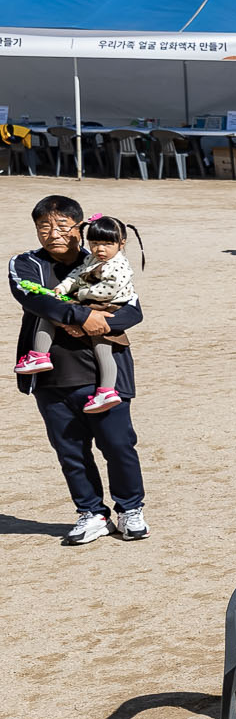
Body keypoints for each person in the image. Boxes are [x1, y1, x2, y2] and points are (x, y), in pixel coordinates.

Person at [11, 196, 145, 543]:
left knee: (118, 445)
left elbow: (133, 311)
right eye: (44, 226)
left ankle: (130, 509)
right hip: (52, 376)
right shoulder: (25, 263)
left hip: (105, 372)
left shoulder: (103, 257)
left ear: (79, 229)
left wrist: (92, 323)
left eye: (62, 226)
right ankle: (91, 513)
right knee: (70, 449)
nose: (52, 233)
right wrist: (84, 317)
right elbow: (33, 298)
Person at [14, 212, 138, 416]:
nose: (100, 249)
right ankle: (41, 356)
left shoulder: (119, 265)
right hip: (89, 307)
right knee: (52, 314)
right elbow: (75, 275)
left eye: (62, 227)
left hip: (105, 306)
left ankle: (106, 389)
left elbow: (113, 292)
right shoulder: (90, 259)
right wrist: (64, 288)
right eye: (95, 243)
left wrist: (80, 304)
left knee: (103, 348)